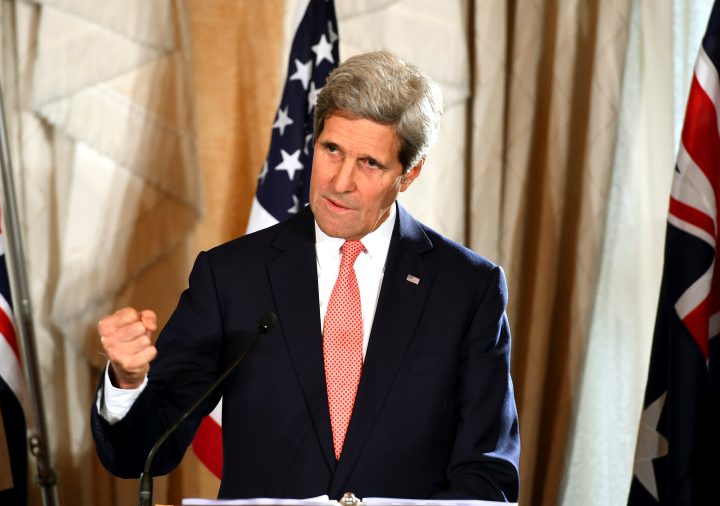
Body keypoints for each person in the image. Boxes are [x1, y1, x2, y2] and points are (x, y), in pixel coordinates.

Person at [91, 50, 520, 502]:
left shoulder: (467, 289)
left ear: (409, 174)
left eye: (369, 163)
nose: (339, 182)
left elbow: (487, 476)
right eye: (331, 149)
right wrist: (128, 381)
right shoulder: (232, 275)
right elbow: (142, 454)